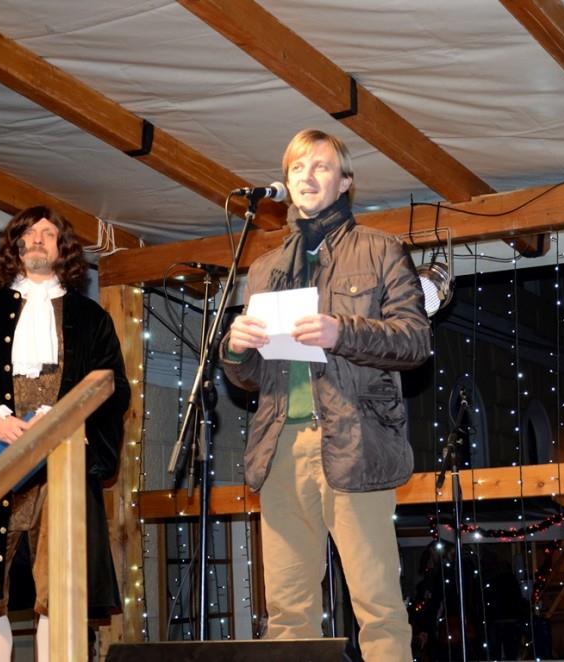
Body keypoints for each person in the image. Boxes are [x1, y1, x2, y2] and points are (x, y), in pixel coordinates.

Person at [222, 128, 430, 661]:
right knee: (287, 613)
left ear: (345, 182)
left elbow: (415, 341)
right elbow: (251, 378)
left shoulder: (380, 249)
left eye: (320, 166)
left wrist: (344, 332)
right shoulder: (265, 268)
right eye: (297, 168)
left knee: (378, 608)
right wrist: (236, 350)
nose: (307, 176)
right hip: (280, 448)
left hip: (355, 443)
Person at [0, 206, 130, 661]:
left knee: (61, 584)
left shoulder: (91, 318)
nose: (37, 239)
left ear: (62, 248)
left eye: (48, 233)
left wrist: (69, 419)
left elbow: (114, 388)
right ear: (14, 246)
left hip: (61, 462)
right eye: (29, 232)